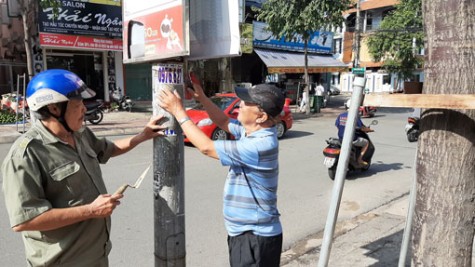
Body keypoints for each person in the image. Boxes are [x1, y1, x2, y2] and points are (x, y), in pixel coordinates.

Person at [1, 69, 165, 266]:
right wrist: (90, 210)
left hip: (96, 256)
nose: (84, 110)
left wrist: (142, 136)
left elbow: (108, 149)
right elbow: (25, 221)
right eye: (78, 105)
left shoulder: (79, 134)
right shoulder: (26, 155)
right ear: (54, 109)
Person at [158, 76, 284, 267]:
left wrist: (178, 111)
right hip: (246, 235)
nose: (240, 104)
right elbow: (223, 120)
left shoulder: (260, 145)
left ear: (261, 116)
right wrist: (203, 98)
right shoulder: (252, 132)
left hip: (255, 238)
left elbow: (207, 147)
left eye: (247, 102)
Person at [335, 99, 373, 166]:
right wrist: (370, 130)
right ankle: (359, 159)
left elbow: (337, 125)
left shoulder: (341, 115)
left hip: (341, 138)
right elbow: (362, 128)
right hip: (352, 139)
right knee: (366, 143)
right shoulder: (354, 116)